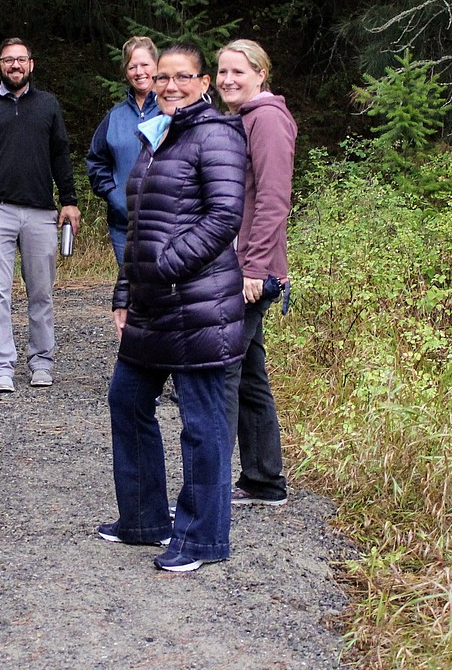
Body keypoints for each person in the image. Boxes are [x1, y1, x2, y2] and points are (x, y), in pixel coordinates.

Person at [98, 42, 246, 572]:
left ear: (204, 83)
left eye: (183, 77)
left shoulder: (216, 135)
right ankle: (142, 519)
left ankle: (202, 539)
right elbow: (142, 226)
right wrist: (125, 289)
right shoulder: (157, 136)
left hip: (198, 306)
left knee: (203, 423)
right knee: (127, 400)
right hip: (152, 306)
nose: (170, 86)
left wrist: (164, 267)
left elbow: (225, 216)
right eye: (163, 77)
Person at [0, 38, 82, 392]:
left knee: (41, 291)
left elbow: (61, 153)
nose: (15, 65)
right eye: (8, 60)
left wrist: (70, 200)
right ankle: (2, 367)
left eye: (21, 59)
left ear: (32, 64)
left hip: (41, 212)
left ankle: (41, 362)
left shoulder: (47, 105)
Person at [215, 39, 297, 507]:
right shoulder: (243, 118)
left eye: (238, 72)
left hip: (249, 272)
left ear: (261, 74)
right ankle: (264, 482)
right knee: (248, 374)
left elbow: (272, 199)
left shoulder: (265, 119)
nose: (228, 79)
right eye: (222, 71)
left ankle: (211, 489)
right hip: (240, 265)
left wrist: (254, 266)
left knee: (222, 370)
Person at [86, 36, 161, 265]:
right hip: (124, 225)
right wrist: (113, 195)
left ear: (157, 66)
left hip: (167, 222)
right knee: (132, 289)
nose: (139, 72)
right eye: (132, 66)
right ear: (125, 72)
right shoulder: (115, 117)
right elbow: (96, 161)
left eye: (145, 64)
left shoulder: (173, 110)